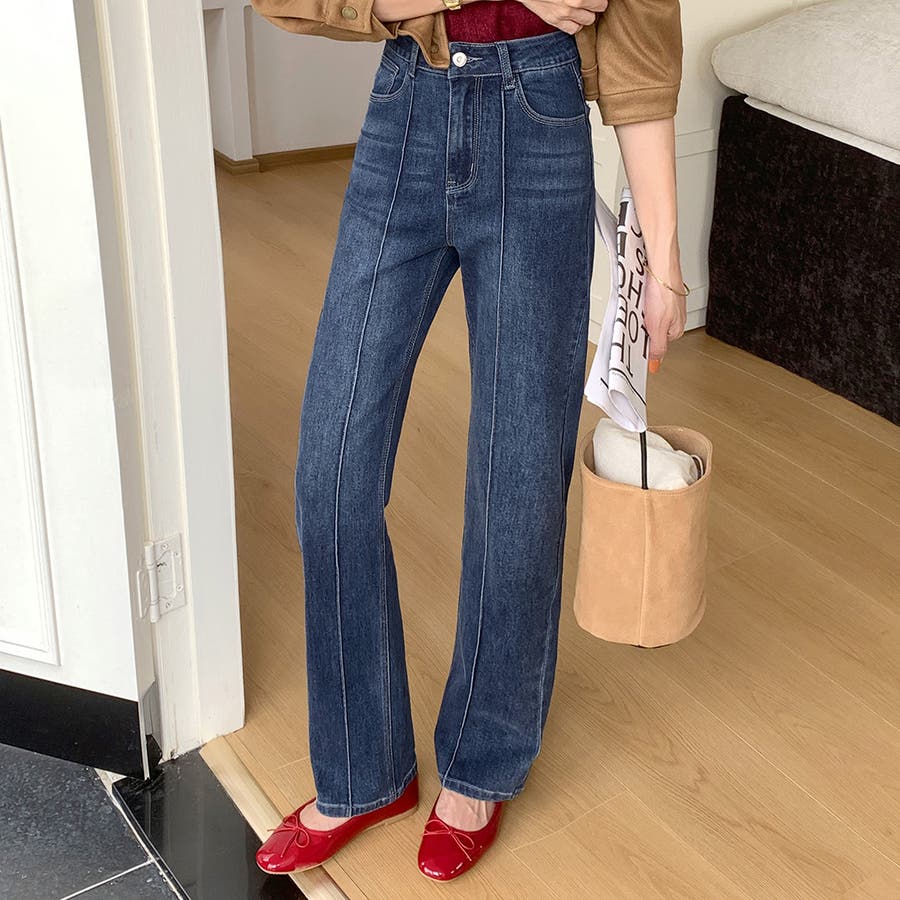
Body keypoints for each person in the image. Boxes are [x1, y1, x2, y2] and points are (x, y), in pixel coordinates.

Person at [251, 0, 687, 882]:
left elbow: (640, 66)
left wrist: (666, 263)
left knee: (515, 480)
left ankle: (479, 769)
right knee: (332, 469)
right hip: (404, 120)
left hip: (541, 132)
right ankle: (362, 773)